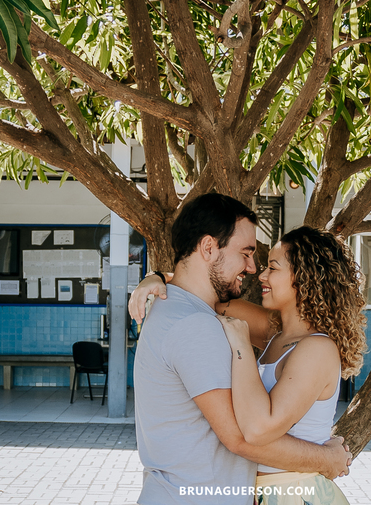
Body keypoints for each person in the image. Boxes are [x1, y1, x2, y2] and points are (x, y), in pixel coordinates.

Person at [131, 193, 351, 505]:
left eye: (270, 266)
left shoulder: (186, 312)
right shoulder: (198, 323)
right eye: (247, 253)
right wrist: (328, 460)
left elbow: (203, 290)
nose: (254, 269)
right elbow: (241, 437)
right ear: (208, 247)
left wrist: (160, 278)